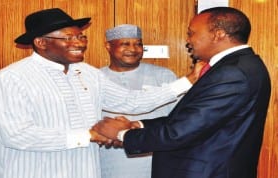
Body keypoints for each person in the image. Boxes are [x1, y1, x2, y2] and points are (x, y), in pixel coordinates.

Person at [0, 8, 203, 178]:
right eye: (68, 38)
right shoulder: (12, 77)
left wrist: (189, 80)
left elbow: (132, 101)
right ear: (41, 43)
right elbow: (16, 134)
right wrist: (87, 135)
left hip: (83, 169)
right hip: (33, 171)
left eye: (81, 37)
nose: (79, 43)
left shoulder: (87, 73)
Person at [92, 7, 271, 178]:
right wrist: (138, 125)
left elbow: (180, 131)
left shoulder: (233, 72)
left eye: (192, 33)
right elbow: (188, 119)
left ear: (218, 35)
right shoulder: (236, 66)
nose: (188, 40)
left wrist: (122, 133)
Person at [100, 24, 179, 178]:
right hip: (110, 161)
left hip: (155, 159)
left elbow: (177, 119)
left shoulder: (164, 76)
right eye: (125, 44)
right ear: (108, 46)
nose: (133, 49)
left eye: (138, 44)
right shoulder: (95, 78)